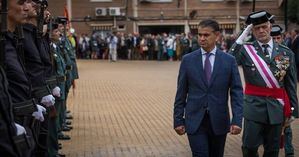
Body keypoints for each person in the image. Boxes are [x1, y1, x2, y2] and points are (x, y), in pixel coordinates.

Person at [229, 10, 298, 157]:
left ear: (270, 26)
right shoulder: (246, 50)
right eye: (256, 28)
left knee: (272, 149)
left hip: (276, 108)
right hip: (253, 107)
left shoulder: (286, 53)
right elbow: (228, 61)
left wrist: (293, 109)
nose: (261, 31)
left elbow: (291, 85)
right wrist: (242, 37)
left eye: (264, 26)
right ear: (252, 30)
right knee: (249, 147)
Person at [173, 19, 243, 157]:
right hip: (194, 121)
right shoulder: (188, 60)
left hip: (219, 121)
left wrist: (237, 120)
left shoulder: (229, 61)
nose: (202, 38)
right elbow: (181, 93)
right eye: (199, 35)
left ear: (217, 36)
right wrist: (178, 119)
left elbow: (237, 93)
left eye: (206, 35)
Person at [271, 24, 295, 157]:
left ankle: (289, 151)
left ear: (282, 38)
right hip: (267, 99)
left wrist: (293, 106)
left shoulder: (286, 53)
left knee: (287, 127)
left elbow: (291, 82)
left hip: (283, 97)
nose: (275, 41)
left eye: (278, 38)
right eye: (273, 38)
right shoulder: (262, 53)